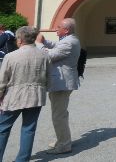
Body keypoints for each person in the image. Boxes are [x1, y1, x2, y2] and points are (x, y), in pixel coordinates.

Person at [0, 26, 48, 162]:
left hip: (13, 97)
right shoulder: (44, 55)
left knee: (2, 129)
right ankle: (22, 160)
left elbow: (2, 81)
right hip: (36, 96)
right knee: (29, 129)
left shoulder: (10, 56)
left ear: (20, 40)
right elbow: (49, 77)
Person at [36, 18, 81, 154]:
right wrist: (44, 41)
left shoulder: (69, 42)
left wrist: (38, 44)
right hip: (62, 83)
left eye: (58, 27)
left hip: (62, 83)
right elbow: (56, 46)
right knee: (60, 114)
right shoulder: (68, 39)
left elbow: (48, 56)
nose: (56, 29)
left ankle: (64, 145)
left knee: (58, 115)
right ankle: (62, 140)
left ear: (66, 30)